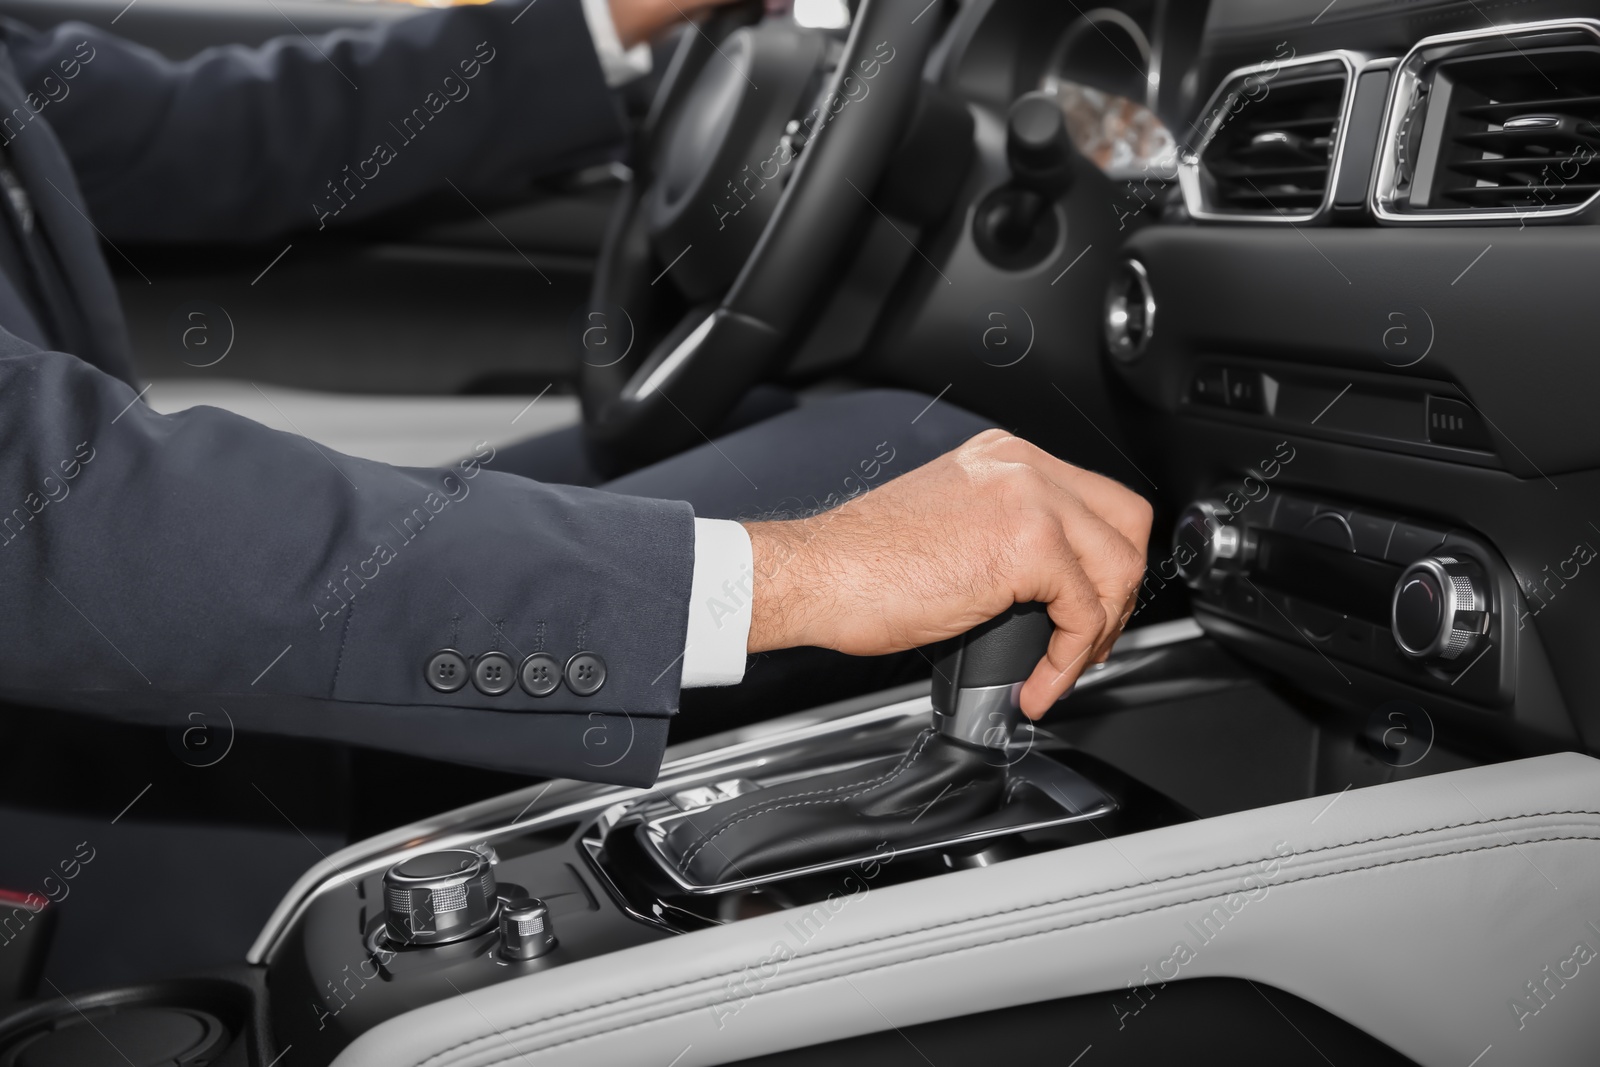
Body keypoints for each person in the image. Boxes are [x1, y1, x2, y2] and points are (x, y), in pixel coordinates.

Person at [0, 0, 1152, 791]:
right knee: (887, 469)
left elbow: (231, 129)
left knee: (872, 446)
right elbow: (63, 519)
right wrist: (801, 576)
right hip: (91, 785)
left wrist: (611, 15)